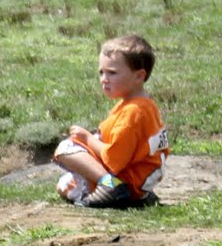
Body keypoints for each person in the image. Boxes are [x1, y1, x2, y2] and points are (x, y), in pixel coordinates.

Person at [52, 34, 169, 209]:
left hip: (128, 179)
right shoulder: (145, 106)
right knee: (66, 183)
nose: (104, 79)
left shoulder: (132, 113)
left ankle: (110, 186)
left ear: (139, 76)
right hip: (141, 180)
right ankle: (134, 194)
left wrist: (87, 139)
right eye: (101, 72)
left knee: (66, 148)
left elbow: (114, 158)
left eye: (112, 73)